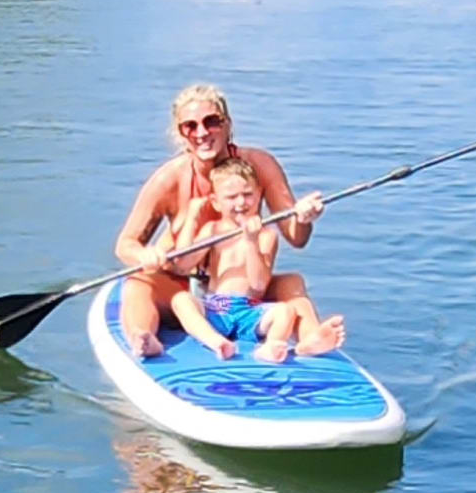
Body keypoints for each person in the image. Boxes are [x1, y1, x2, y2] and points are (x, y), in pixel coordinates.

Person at [111, 81, 326, 360]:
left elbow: (296, 236)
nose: (202, 133)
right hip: (183, 285)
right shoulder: (169, 178)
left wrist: (304, 216)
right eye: (190, 126)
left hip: (244, 289)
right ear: (180, 134)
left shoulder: (259, 166)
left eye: (211, 122)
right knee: (138, 282)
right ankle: (145, 338)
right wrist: (146, 254)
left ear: (227, 125)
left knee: (291, 284)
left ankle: (312, 339)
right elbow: (125, 245)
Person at [165, 154, 344, 362]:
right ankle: (215, 341)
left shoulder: (266, 235)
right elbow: (182, 264)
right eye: (231, 197)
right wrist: (192, 219)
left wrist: (251, 242)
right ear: (216, 202)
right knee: (181, 301)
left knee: (285, 311)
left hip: (250, 309)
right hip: (216, 307)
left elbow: (258, 286)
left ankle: (271, 347)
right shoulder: (213, 229)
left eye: (247, 194)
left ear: (259, 195)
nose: (241, 202)